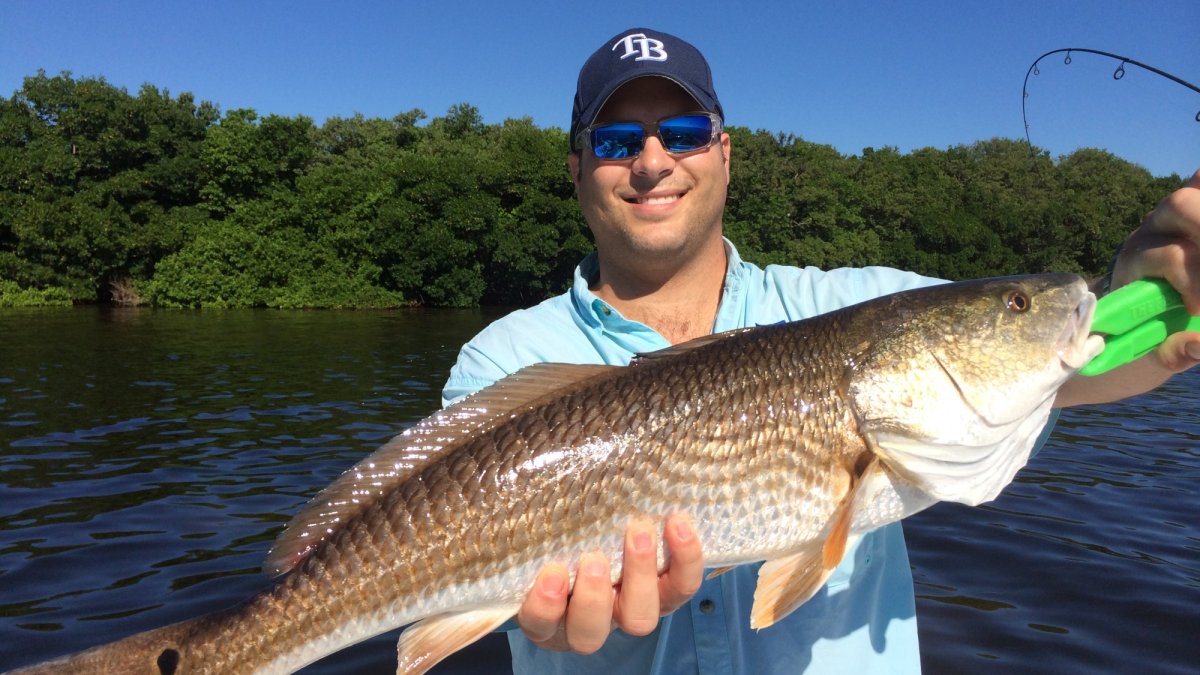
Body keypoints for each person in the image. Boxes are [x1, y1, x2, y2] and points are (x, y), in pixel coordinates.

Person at [442, 27, 1200, 674]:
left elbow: (1075, 369)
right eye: (615, 141)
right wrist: (532, 614)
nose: (652, 161)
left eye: (683, 134)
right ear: (576, 169)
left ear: (725, 155)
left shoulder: (859, 305)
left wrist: (1157, 298)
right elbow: (467, 593)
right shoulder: (500, 361)